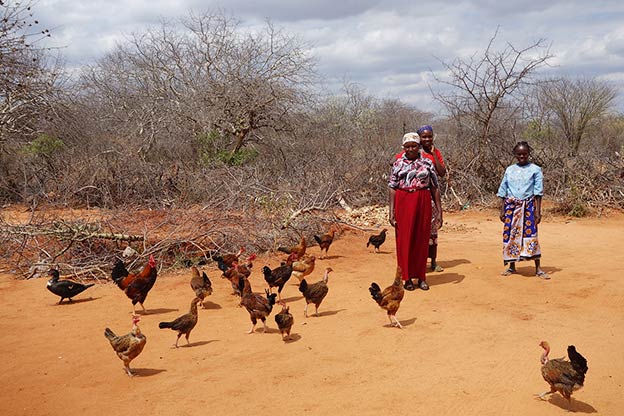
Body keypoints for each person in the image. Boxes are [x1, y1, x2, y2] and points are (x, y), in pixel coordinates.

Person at [388, 132, 442, 291]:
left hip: (423, 200)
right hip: (403, 200)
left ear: (418, 146)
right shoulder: (398, 164)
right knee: (404, 240)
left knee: (421, 239)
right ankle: (407, 278)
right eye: (407, 146)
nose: (410, 149)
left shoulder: (427, 162)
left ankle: (421, 277)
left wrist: (439, 211)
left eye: (414, 146)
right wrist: (391, 211)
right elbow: (392, 187)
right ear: (403, 148)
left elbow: (434, 187)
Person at [496, 141, 549, 278]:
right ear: (515, 154)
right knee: (511, 235)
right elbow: (503, 190)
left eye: (524, 154)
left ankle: (537, 268)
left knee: (531, 235)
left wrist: (538, 212)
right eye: (519, 154)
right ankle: (512, 266)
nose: (522, 156)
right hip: (511, 207)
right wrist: (502, 210)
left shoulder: (535, 170)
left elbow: (538, 193)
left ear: (528, 153)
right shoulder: (509, 170)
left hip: (528, 207)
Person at [417, 125, 446, 272]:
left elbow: (442, 172)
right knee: (419, 229)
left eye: (430, 136)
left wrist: (434, 155)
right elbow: (393, 161)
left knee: (432, 230)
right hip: (417, 194)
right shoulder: (414, 151)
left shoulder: (436, 153)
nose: (427, 139)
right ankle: (419, 261)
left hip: (432, 193)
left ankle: (433, 262)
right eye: (424, 137)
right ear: (419, 138)